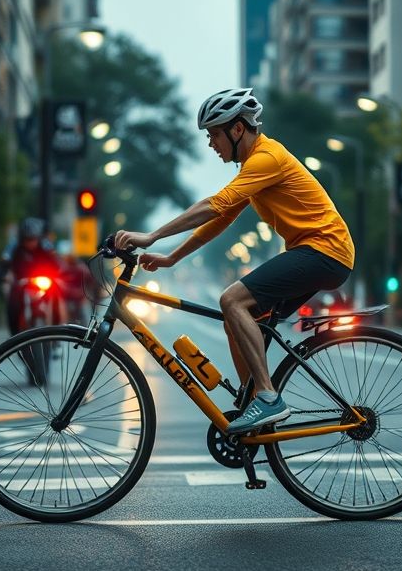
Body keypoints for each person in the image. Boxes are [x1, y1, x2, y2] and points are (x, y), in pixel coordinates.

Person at [114, 87, 354, 434]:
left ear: (237, 129)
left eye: (213, 135)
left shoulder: (267, 159)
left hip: (324, 251)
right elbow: (222, 219)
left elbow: (215, 204)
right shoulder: (254, 167)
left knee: (231, 299)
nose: (211, 144)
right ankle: (255, 402)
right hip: (315, 252)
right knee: (238, 316)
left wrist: (152, 236)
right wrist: (171, 258)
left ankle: (268, 399)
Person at [0, 217, 62, 334]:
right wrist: (3, 277)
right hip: (21, 284)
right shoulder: (14, 247)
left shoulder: (46, 246)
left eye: (33, 239)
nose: (30, 242)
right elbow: (5, 263)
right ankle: (14, 337)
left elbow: (57, 263)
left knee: (56, 293)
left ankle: (56, 331)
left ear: (38, 238)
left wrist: (57, 275)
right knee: (12, 302)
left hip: (44, 282)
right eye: (27, 239)